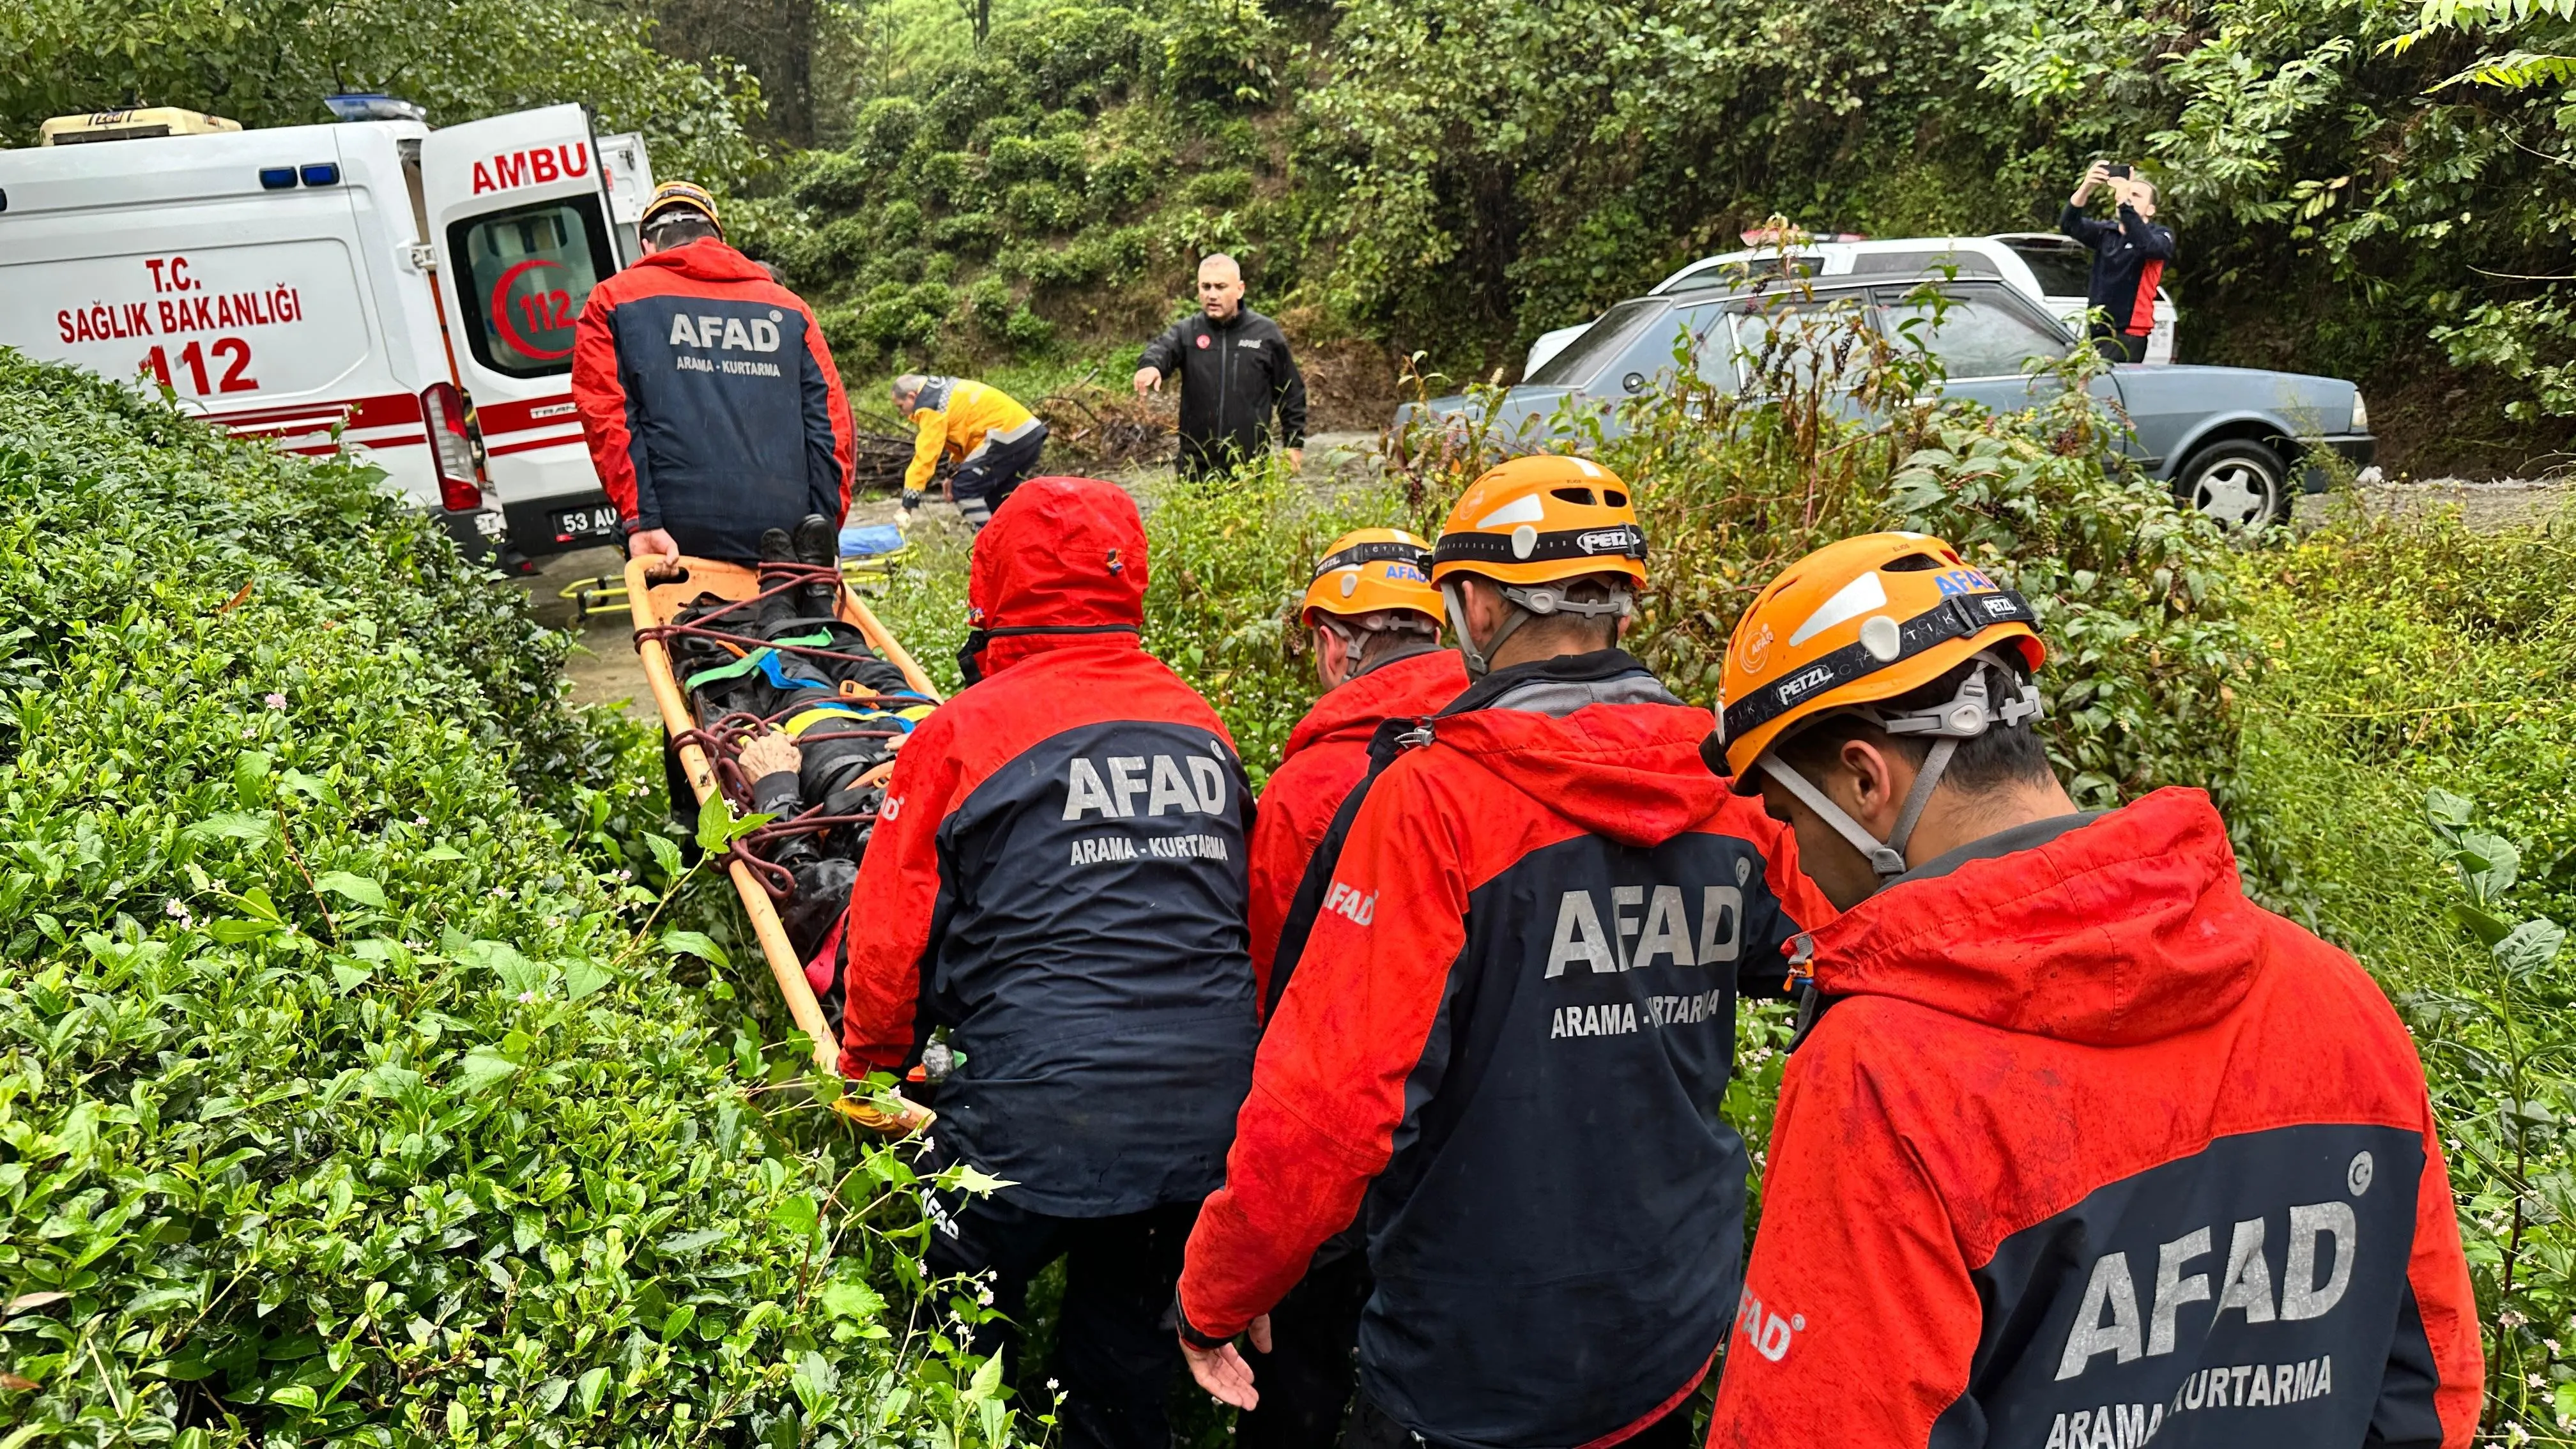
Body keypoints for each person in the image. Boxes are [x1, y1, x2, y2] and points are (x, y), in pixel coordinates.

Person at [1699, 532, 2483, 1447]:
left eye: (1790, 817)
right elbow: (2428, 1380)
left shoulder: (1885, 1072)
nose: (1795, 860)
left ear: (1866, 780)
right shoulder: (2334, 997)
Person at [1173, 456, 1834, 1449]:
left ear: (1477, 606)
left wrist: (1219, 1291)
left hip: (1476, 1353)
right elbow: (1847, 955)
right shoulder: (1729, 789)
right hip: (1673, 1322)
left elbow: (1331, 1114)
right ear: (1619, 605)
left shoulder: (1432, 803)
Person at [836, 475, 1259, 1449]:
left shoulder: (960, 734)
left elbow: (895, 933)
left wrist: (870, 1064)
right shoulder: (1200, 724)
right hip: (1208, 1125)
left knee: (944, 1329)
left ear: (993, 587)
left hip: (1033, 1117)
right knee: (1121, 1371)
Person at [1228, 528, 1464, 1449]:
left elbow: (1277, 990)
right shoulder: (1505, 751)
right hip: (1476, 1152)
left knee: (1302, 1368)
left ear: (1333, 642)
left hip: (1347, 1145)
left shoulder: (1311, 786)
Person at [572, 180, 855, 566]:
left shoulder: (612, 300)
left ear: (647, 246)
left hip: (677, 534)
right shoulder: (791, 308)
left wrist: (642, 522)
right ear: (719, 241)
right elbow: (831, 428)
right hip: (788, 531)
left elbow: (610, 421)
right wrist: (822, 530)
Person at [1132, 254, 1308, 480]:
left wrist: (1294, 445)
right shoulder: (1187, 331)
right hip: (1195, 469)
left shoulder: (1265, 334)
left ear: (1240, 289)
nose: (1212, 295)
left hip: (1250, 468)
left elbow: (1291, 393)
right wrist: (1151, 366)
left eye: (1221, 287)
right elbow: (1161, 349)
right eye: (1206, 287)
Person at [892, 373, 1048, 533]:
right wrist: (952, 473)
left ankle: (989, 546)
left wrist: (907, 506)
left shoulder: (929, 405)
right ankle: (1021, 544)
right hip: (1028, 435)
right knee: (996, 500)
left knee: (965, 489)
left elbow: (925, 456)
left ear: (912, 396)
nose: (901, 412)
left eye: (900, 406)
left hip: (1008, 436)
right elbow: (965, 436)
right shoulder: (938, 391)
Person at [2061, 162, 2174, 365]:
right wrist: (2086, 186)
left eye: (2136, 195)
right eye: (2126, 193)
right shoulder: (2107, 233)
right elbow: (2069, 225)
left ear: (2151, 210)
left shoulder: (2161, 235)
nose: (2129, 197)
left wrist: (2125, 202)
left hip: (2129, 332)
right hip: (2098, 329)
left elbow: (2149, 247)